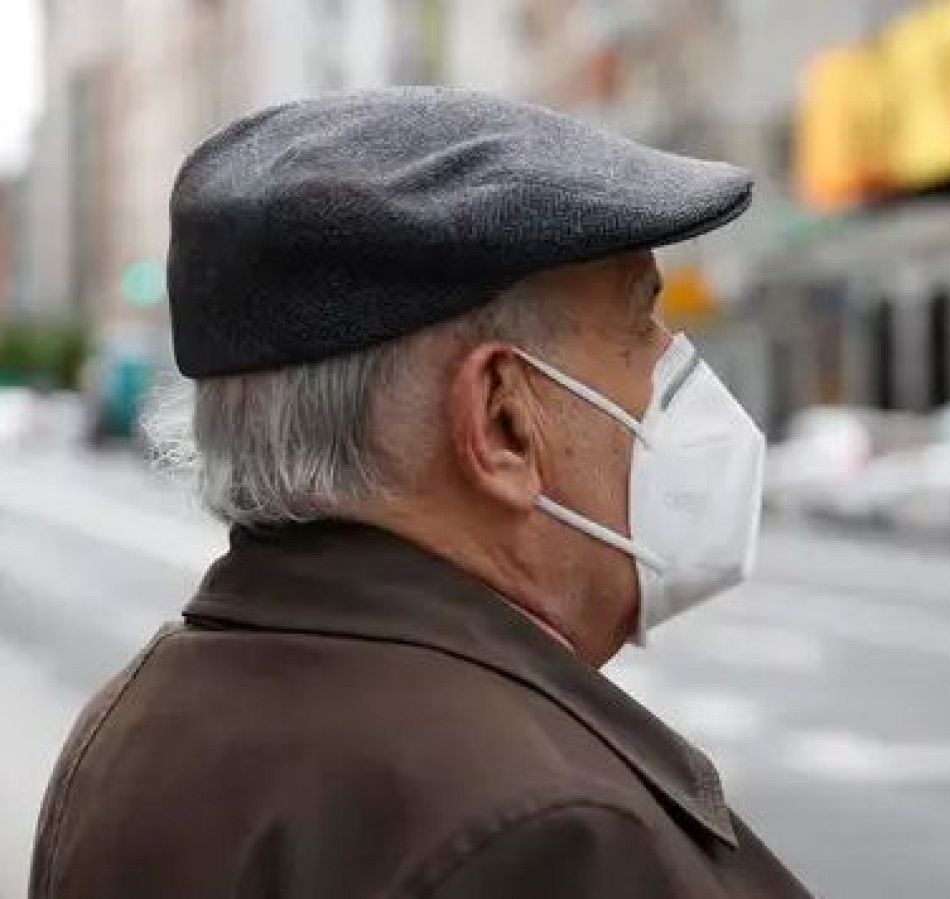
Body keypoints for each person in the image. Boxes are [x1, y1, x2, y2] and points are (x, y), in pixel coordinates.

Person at [30, 87, 810, 899]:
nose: (675, 367)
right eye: (639, 324)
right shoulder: (551, 835)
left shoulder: (130, 722)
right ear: (502, 420)